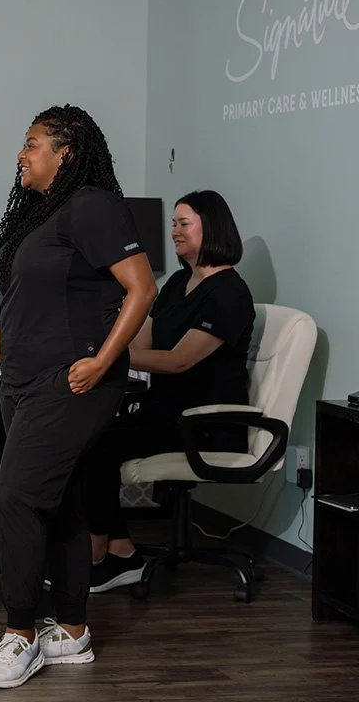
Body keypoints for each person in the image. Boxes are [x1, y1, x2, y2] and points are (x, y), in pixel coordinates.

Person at [0, 104, 156, 689]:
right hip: (24, 381)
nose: (21, 155)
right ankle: (73, 632)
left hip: (72, 380)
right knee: (62, 501)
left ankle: (20, 633)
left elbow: (142, 286)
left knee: (16, 495)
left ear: (65, 152)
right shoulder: (39, 218)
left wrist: (103, 360)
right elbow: (20, 316)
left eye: (32, 144)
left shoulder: (92, 205)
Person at [83, 190, 255, 592]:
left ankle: (99, 558)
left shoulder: (230, 292)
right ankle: (120, 550)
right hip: (165, 412)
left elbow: (178, 360)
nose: (174, 231)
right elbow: (141, 347)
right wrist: (107, 348)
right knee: (86, 436)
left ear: (211, 227)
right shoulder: (178, 281)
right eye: (173, 223)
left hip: (205, 422)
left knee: (96, 447)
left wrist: (107, 359)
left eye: (184, 223)